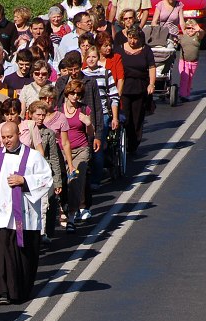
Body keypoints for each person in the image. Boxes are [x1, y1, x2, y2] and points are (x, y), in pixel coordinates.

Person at [0, 121, 53, 305]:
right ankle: (3, 292)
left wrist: (24, 180)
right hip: (1, 214)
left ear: (19, 134)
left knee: (24, 255)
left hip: (25, 216)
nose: (6, 141)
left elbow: (46, 178)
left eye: (9, 137)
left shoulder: (33, 156)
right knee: (2, 254)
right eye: (3, 137)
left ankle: (21, 290)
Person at [58, 79, 95, 231]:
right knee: (62, 183)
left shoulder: (84, 109)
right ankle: (63, 208)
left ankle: (72, 217)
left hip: (81, 149)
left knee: (76, 181)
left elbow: (90, 134)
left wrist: (88, 123)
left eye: (78, 94)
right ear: (67, 93)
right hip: (61, 151)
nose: (75, 96)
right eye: (72, 93)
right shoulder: (58, 110)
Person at [28, 100, 67, 238]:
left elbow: (54, 158)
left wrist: (57, 182)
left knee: (49, 202)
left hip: (44, 173)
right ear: (30, 114)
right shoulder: (24, 130)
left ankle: (47, 233)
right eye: (38, 114)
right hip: (28, 174)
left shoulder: (49, 133)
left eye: (43, 115)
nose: (40, 118)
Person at [83, 46, 120, 187]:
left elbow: (114, 96)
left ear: (98, 58)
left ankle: (95, 179)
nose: (91, 59)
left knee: (97, 147)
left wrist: (115, 118)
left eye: (94, 57)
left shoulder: (106, 73)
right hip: (85, 115)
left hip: (102, 115)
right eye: (89, 57)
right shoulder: (82, 74)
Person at [117, 25, 156, 154]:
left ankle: (134, 144)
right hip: (125, 88)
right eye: (130, 38)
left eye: (135, 38)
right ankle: (125, 141)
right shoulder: (120, 49)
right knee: (126, 117)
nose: (132, 41)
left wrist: (151, 84)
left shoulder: (146, 50)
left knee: (137, 118)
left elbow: (151, 67)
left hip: (139, 87)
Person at [178, 18, 203, 102]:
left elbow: (202, 33)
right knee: (184, 77)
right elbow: (176, 40)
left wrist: (198, 29)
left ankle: (187, 93)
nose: (191, 30)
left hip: (193, 62)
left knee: (189, 78)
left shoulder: (197, 36)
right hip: (183, 61)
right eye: (189, 28)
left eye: (193, 28)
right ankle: (183, 94)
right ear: (185, 29)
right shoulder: (183, 37)